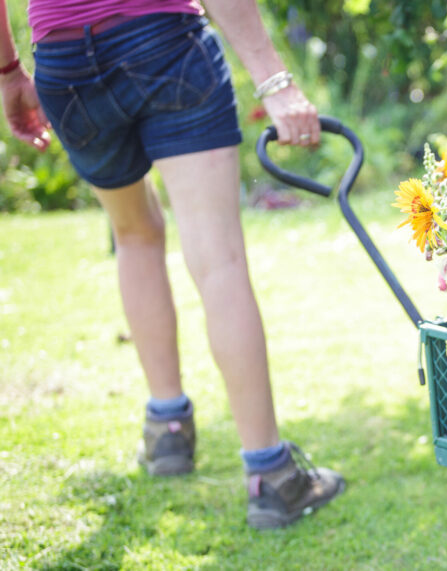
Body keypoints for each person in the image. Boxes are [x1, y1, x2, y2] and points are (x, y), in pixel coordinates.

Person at [0, 0, 344, 530]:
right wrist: (274, 82)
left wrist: (7, 73)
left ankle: (168, 432)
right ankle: (271, 478)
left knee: (134, 236)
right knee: (219, 261)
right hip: (161, 37)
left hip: (65, 61)